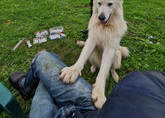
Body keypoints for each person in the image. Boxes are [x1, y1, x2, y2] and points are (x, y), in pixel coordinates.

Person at [9, 50, 165, 118]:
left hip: (93, 110)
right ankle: (32, 84)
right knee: (50, 68)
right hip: (99, 107)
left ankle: (26, 87)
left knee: (45, 57)